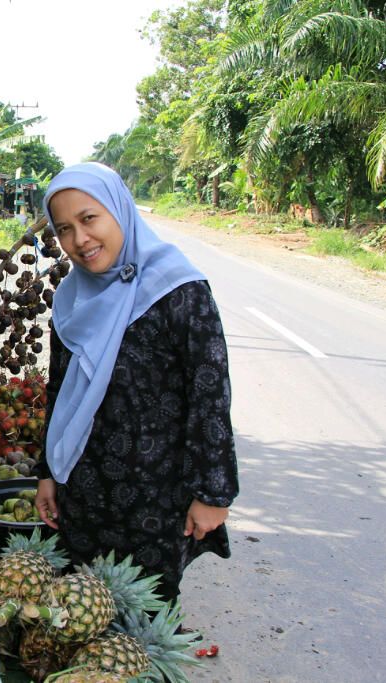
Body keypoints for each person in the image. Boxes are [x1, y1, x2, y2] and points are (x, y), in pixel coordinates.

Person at [33, 163, 239, 603]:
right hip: (83, 490)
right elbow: (59, 390)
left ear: (119, 210)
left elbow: (210, 398)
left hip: (156, 499)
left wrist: (213, 494)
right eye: (64, 229)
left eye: (90, 219)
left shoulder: (180, 290)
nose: (80, 240)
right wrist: (48, 472)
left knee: (143, 619)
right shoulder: (72, 298)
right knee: (78, 613)